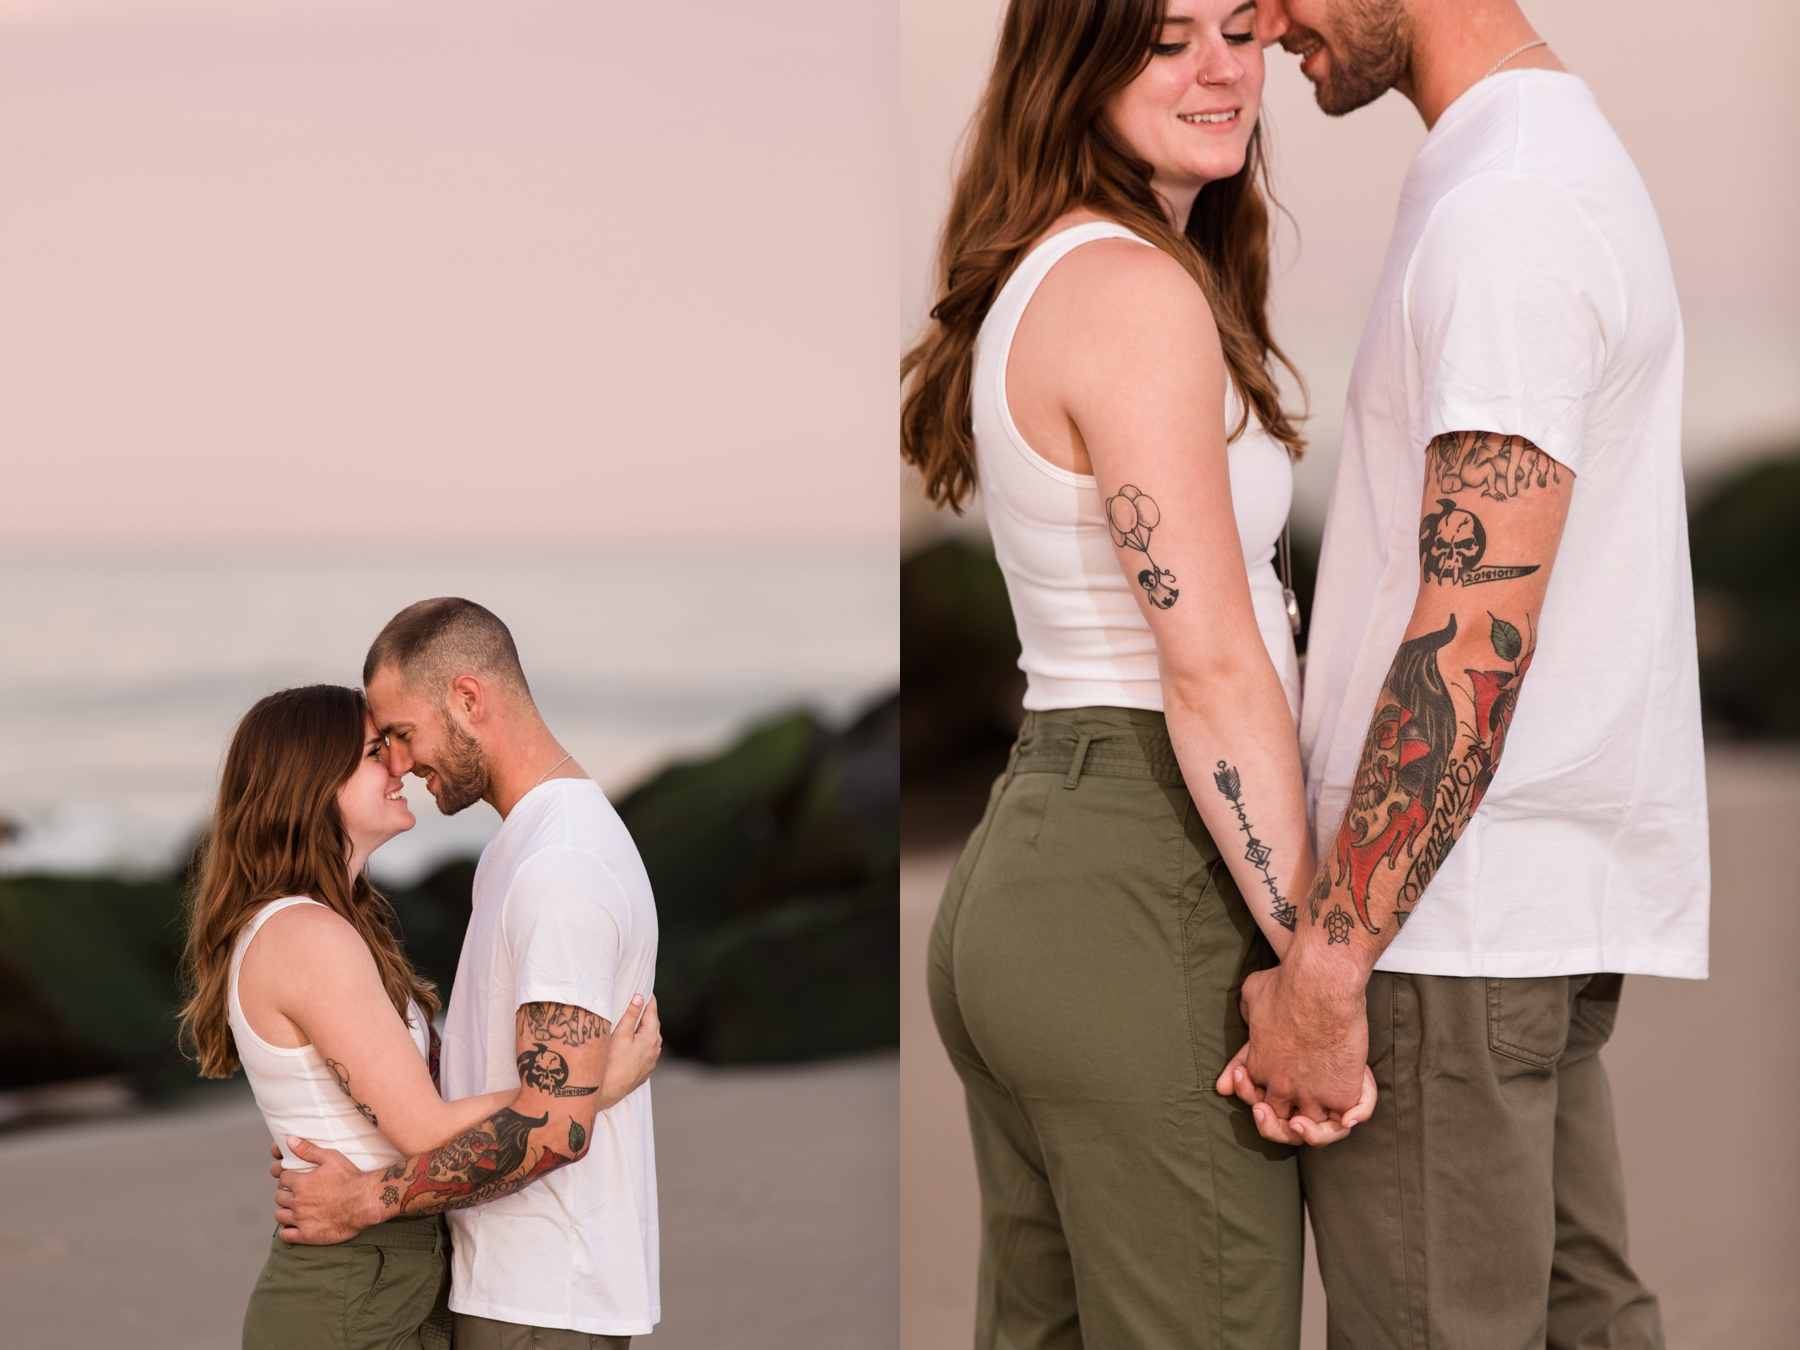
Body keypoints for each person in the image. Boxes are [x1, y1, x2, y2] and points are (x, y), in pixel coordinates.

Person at [1217, 2, 1706, 1346]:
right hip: (1503, 916)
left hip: (1447, 939)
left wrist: (1327, 963)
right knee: (1584, 1319)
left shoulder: (1509, 214)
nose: (1258, 20)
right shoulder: (1540, 163)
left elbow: (1475, 638)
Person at [902, 1, 1373, 1344]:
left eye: (1238, 26)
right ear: (1077, 59)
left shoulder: (1056, 274)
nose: (1223, 67)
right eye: (1168, 39)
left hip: (1043, 867)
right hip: (1141, 875)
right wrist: (1311, 963)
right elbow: (1215, 663)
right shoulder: (1130, 292)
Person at [177, 683, 659, 1350]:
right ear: (310, 781)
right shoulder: (305, 935)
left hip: (389, 1272)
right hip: (352, 1287)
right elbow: (422, 1127)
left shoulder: (337, 923)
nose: (401, 765)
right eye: (377, 752)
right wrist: (594, 1087)